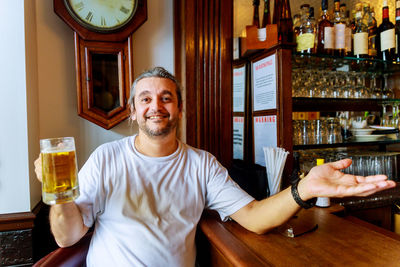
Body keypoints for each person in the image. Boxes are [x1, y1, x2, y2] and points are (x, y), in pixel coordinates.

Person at [35, 67, 396, 266]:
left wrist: (307, 188)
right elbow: (67, 237)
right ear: (133, 112)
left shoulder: (201, 163)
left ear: (180, 109)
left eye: (166, 97)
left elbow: (254, 216)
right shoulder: (105, 159)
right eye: (145, 99)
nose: (155, 105)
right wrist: (58, 194)